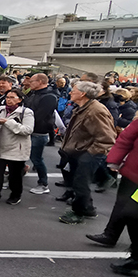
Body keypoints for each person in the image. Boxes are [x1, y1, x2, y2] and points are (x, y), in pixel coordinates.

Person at [56, 81, 117, 225]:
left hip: (88, 154)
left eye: (74, 90)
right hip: (79, 152)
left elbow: (107, 138)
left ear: (83, 94)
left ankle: (78, 213)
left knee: (80, 183)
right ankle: (88, 208)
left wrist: (89, 155)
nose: (70, 92)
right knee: (79, 182)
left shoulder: (96, 111)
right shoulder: (84, 107)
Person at [86, 117, 138, 248]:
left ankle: (131, 248)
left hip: (133, 173)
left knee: (131, 211)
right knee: (122, 206)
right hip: (132, 174)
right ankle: (110, 234)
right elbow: (125, 139)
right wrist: (114, 160)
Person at [0, 89, 34, 205]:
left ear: (20, 100)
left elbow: (28, 130)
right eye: (7, 97)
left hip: (16, 149)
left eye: (12, 97)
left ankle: (15, 195)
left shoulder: (26, 112)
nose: (9, 100)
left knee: (15, 175)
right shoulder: (1, 109)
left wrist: (8, 122)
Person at [25, 73, 57, 195]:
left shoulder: (49, 97)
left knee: (36, 158)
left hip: (39, 131)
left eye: (32, 81)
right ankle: (15, 177)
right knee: (21, 156)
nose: (29, 83)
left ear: (40, 82)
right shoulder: (33, 94)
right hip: (28, 129)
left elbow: (40, 115)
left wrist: (25, 122)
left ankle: (43, 184)